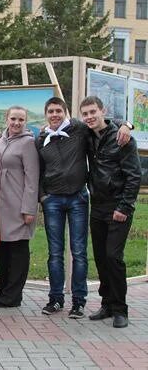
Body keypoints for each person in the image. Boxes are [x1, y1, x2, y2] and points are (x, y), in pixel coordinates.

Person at [36, 97, 131, 318]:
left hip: (78, 198)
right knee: (55, 253)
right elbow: (38, 169)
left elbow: (106, 125)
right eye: (50, 111)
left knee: (79, 252)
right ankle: (55, 299)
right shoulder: (41, 138)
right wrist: (42, 196)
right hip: (53, 201)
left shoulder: (79, 129)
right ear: (46, 114)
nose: (55, 114)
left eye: (59, 110)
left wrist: (128, 124)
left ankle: (78, 302)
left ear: (66, 112)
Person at [80, 96, 141, 328]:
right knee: (101, 258)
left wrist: (124, 207)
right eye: (85, 114)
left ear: (102, 110)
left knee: (114, 257)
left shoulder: (123, 139)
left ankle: (120, 309)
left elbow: (134, 176)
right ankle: (106, 304)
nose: (89, 117)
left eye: (93, 112)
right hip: (97, 206)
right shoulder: (88, 136)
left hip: (118, 207)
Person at [0, 106, 40, 308]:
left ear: (25, 121)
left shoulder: (28, 143)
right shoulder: (0, 139)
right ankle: (2, 290)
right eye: (13, 119)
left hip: (17, 205)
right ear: (6, 118)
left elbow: (32, 178)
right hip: (0, 206)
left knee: (18, 251)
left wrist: (29, 209)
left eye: (21, 119)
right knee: (1, 251)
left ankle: (13, 295)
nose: (16, 123)